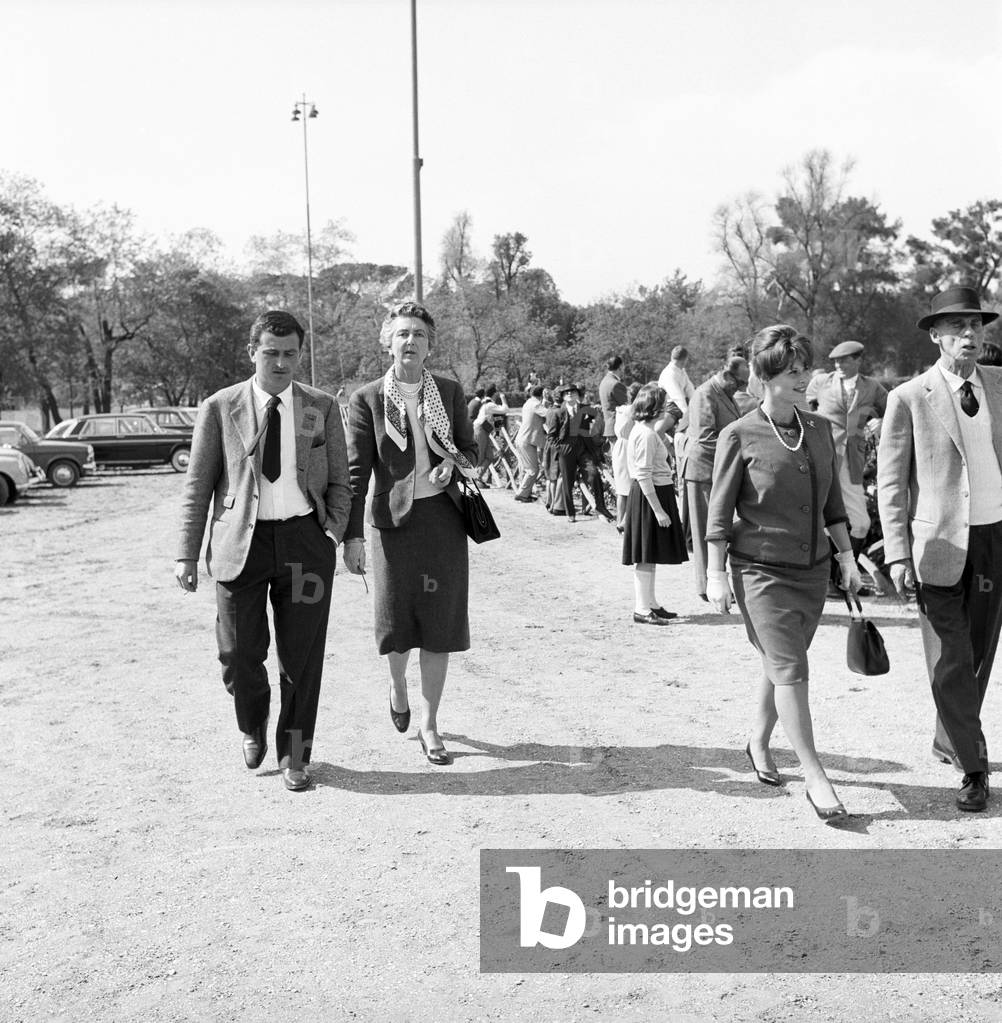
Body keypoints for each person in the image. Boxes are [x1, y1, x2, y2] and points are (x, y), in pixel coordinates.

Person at [175, 310, 352, 792]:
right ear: (252, 352)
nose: (280, 362)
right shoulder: (220, 407)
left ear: (300, 354)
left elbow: (341, 477)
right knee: (238, 654)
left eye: (290, 353)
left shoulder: (320, 406)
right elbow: (198, 484)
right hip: (240, 546)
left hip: (304, 544)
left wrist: (332, 533)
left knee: (302, 660)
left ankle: (296, 754)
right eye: (270, 352)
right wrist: (186, 554)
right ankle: (251, 724)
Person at [705, 324, 860, 824]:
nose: (803, 379)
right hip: (759, 574)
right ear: (765, 378)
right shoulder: (739, 434)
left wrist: (847, 557)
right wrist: (714, 573)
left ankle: (757, 740)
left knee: (781, 665)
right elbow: (718, 511)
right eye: (792, 373)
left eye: (805, 370)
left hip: (812, 572)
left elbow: (833, 504)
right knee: (792, 669)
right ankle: (815, 774)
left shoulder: (818, 430)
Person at [878, 285, 1002, 813]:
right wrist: (897, 554)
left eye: (976, 325)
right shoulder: (908, 397)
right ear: (936, 335)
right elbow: (890, 482)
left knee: (976, 656)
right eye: (957, 327)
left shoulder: (999, 385)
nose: (969, 335)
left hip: (995, 538)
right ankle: (974, 770)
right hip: (939, 546)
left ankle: (948, 737)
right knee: (950, 658)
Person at [343, 301, 479, 766]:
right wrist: (351, 536)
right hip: (392, 527)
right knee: (396, 623)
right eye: (402, 334)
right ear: (388, 342)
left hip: (443, 521)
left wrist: (449, 464)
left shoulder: (449, 390)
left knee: (439, 625)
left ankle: (429, 723)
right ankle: (397, 685)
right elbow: (357, 471)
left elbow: (469, 449)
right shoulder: (366, 398)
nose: (410, 342)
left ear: (429, 345)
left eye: (419, 335)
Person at [807, 341, 888, 593]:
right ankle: (829, 581)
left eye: (844, 360)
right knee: (820, 517)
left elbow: (894, 411)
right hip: (822, 457)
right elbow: (802, 410)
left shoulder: (873, 387)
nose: (838, 365)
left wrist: (881, 421)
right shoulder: (820, 384)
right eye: (835, 361)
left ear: (857, 361)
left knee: (860, 523)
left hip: (853, 460)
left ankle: (845, 575)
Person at [680, 355, 749, 600]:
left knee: (720, 528)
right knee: (704, 532)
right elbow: (706, 439)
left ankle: (717, 580)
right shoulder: (705, 394)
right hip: (703, 471)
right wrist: (736, 456)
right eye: (740, 383)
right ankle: (705, 586)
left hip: (719, 471)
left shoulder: (726, 394)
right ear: (727, 375)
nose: (742, 389)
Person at [622, 383, 687, 624]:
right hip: (651, 494)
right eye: (665, 402)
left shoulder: (646, 431)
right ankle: (641, 608)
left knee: (650, 553)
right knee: (645, 554)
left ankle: (650, 603)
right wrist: (658, 510)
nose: (668, 406)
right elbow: (643, 474)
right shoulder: (647, 434)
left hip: (656, 492)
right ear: (655, 407)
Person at [548, 383, 614, 524]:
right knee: (567, 481)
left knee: (594, 474)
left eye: (572, 392)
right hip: (566, 450)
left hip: (583, 449)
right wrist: (561, 448)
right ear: (563, 396)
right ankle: (570, 513)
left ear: (578, 394)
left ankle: (601, 507)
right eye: (566, 393)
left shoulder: (585, 409)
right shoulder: (558, 412)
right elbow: (551, 436)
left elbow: (599, 419)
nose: (570, 394)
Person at [612, 381, 643, 531]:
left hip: (619, 447)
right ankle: (625, 522)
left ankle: (620, 521)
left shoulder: (621, 409)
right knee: (631, 488)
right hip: (630, 447)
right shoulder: (635, 411)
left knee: (621, 489)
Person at [513, 384, 547, 502]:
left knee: (529, 469)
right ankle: (522, 494)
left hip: (524, 439)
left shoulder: (528, 403)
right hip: (527, 440)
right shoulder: (536, 404)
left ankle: (524, 493)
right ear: (542, 394)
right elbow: (549, 414)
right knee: (533, 470)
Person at [473, 384, 508, 485]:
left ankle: (477, 476)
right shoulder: (490, 405)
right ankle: (476, 477)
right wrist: (503, 398)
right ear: (495, 394)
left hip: (483, 430)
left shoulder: (486, 403)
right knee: (481, 456)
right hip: (480, 430)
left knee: (489, 456)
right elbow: (505, 410)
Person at [598, 356, 628, 456]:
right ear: (620, 367)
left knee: (616, 461)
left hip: (610, 427)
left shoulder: (604, 381)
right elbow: (627, 406)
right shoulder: (615, 384)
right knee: (621, 462)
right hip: (619, 427)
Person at [657, 345, 696, 414]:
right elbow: (677, 397)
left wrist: (697, 405)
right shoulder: (669, 373)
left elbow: (690, 389)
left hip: (681, 404)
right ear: (685, 359)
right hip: (669, 407)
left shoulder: (681, 370)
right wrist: (687, 414)